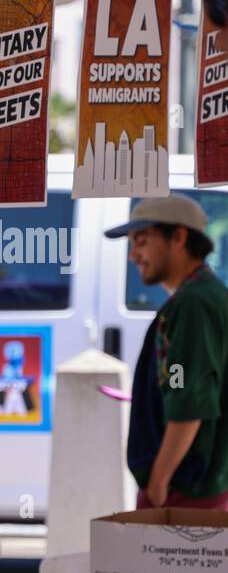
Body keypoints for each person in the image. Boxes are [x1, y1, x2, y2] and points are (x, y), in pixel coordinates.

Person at [106, 195, 228, 509]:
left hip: (185, 492)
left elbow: (188, 399)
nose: (134, 255)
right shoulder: (200, 297)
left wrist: (159, 483)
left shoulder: (194, 304)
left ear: (179, 237)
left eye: (142, 241)